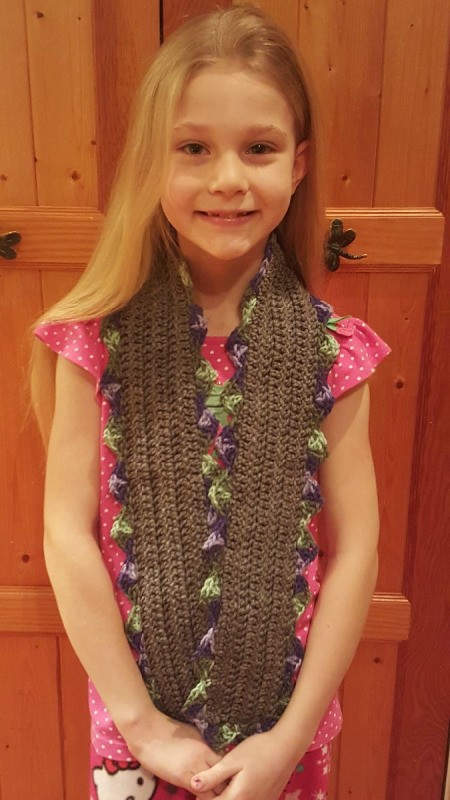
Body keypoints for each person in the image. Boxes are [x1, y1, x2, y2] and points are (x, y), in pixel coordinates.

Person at [31, 6, 390, 800]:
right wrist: (143, 724)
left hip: (282, 744)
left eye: (258, 149)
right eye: (193, 148)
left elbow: (355, 550)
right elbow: (66, 531)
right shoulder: (94, 342)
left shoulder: (336, 355)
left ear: (296, 166)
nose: (228, 178)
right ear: (151, 164)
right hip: (138, 742)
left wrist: (286, 742)